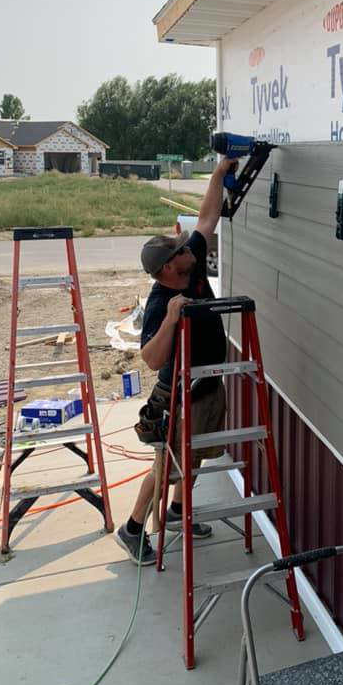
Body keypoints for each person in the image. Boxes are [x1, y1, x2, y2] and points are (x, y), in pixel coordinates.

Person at [114, 156, 236, 564]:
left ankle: (179, 513)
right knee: (167, 465)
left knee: (195, 455)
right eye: (181, 251)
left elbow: (205, 219)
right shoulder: (161, 301)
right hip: (180, 392)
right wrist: (170, 320)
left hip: (206, 382)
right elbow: (150, 359)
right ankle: (132, 530)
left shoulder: (192, 263)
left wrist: (218, 174)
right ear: (167, 267)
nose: (190, 247)